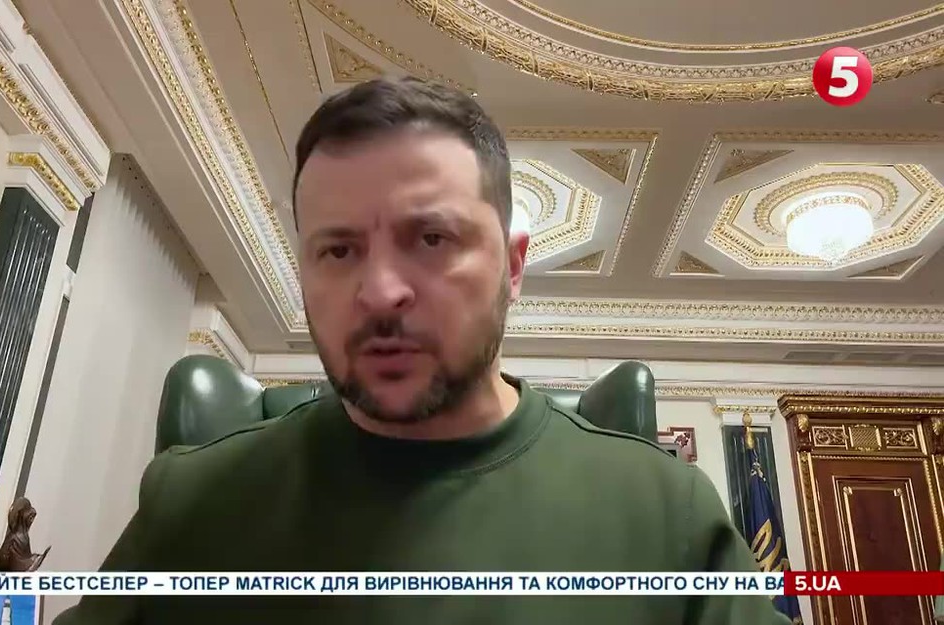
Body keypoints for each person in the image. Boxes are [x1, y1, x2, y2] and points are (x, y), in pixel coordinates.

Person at [52, 77, 791, 625]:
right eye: (338, 250)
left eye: (431, 238)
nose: (380, 292)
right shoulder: (192, 501)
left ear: (512, 267)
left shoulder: (665, 513)